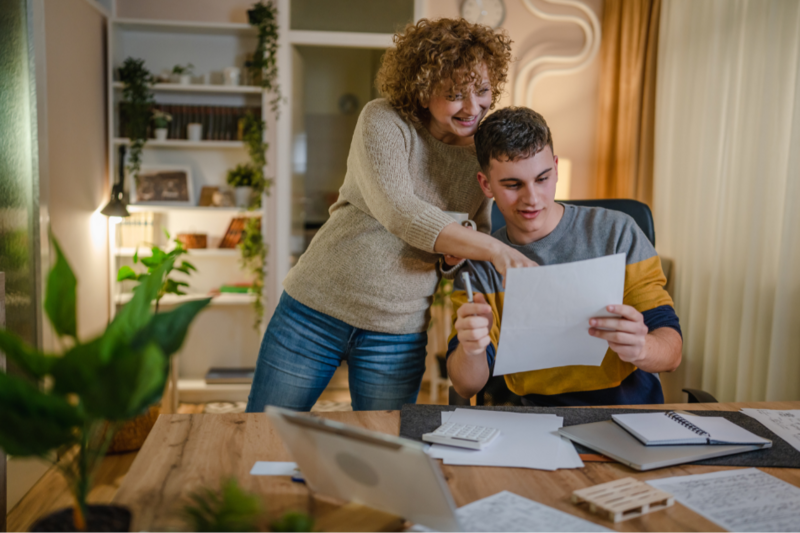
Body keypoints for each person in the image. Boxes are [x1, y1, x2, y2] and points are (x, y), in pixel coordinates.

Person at [246, 19, 537, 413]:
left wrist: (455, 257)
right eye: (455, 94)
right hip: (313, 314)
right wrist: (493, 250)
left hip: (397, 334)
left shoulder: (481, 155)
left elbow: (473, 231)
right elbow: (399, 211)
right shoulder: (384, 120)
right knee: (266, 434)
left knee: (382, 453)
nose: (473, 107)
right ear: (421, 89)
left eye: (483, 91)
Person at [447, 107, 682, 406]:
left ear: (556, 168)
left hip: (625, 411)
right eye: (512, 184)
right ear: (486, 184)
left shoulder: (617, 232)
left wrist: (642, 348)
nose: (531, 198)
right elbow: (467, 386)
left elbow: (672, 353)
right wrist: (471, 349)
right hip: (531, 421)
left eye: (542, 178)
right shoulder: (481, 264)